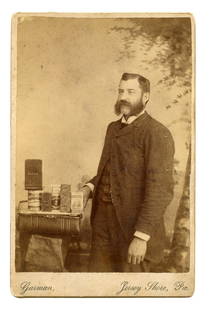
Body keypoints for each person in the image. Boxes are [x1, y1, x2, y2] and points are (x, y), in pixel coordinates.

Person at [82, 73, 175, 272]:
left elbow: (160, 190)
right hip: (102, 226)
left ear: (146, 97)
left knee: (130, 294)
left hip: (133, 228)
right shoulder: (112, 128)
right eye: (121, 91)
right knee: (97, 289)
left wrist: (141, 237)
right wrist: (89, 188)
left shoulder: (157, 133)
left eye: (131, 92)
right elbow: (112, 171)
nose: (123, 96)